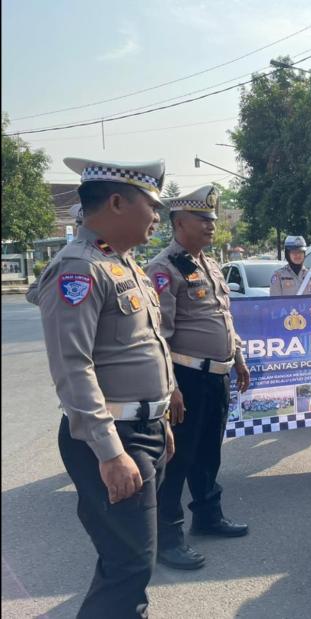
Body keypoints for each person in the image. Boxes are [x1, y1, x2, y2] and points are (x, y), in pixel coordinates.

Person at [33, 156, 175, 618]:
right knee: (129, 566)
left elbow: (144, 347)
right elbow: (74, 368)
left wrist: (158, 414)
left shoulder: (123, 263)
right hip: (113, 439)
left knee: (128, 563)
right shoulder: (79, 268)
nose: (157, 217)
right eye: (151, 205)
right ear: (117, 201)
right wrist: (111, 452)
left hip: (142, 431)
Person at [146, 185, 251, 571]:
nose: (211, 225)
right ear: (179, 223)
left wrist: (237, 356)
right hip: (187, 380)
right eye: (203, 219)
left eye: (212, 218)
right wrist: (171, 386)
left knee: (208, 453)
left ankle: (208, 515)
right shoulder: (164, 268)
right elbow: (161, 336)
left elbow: (223, 318)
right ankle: (168, 537)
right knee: (179, 459)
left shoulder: (208, 264)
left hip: (217, 377)